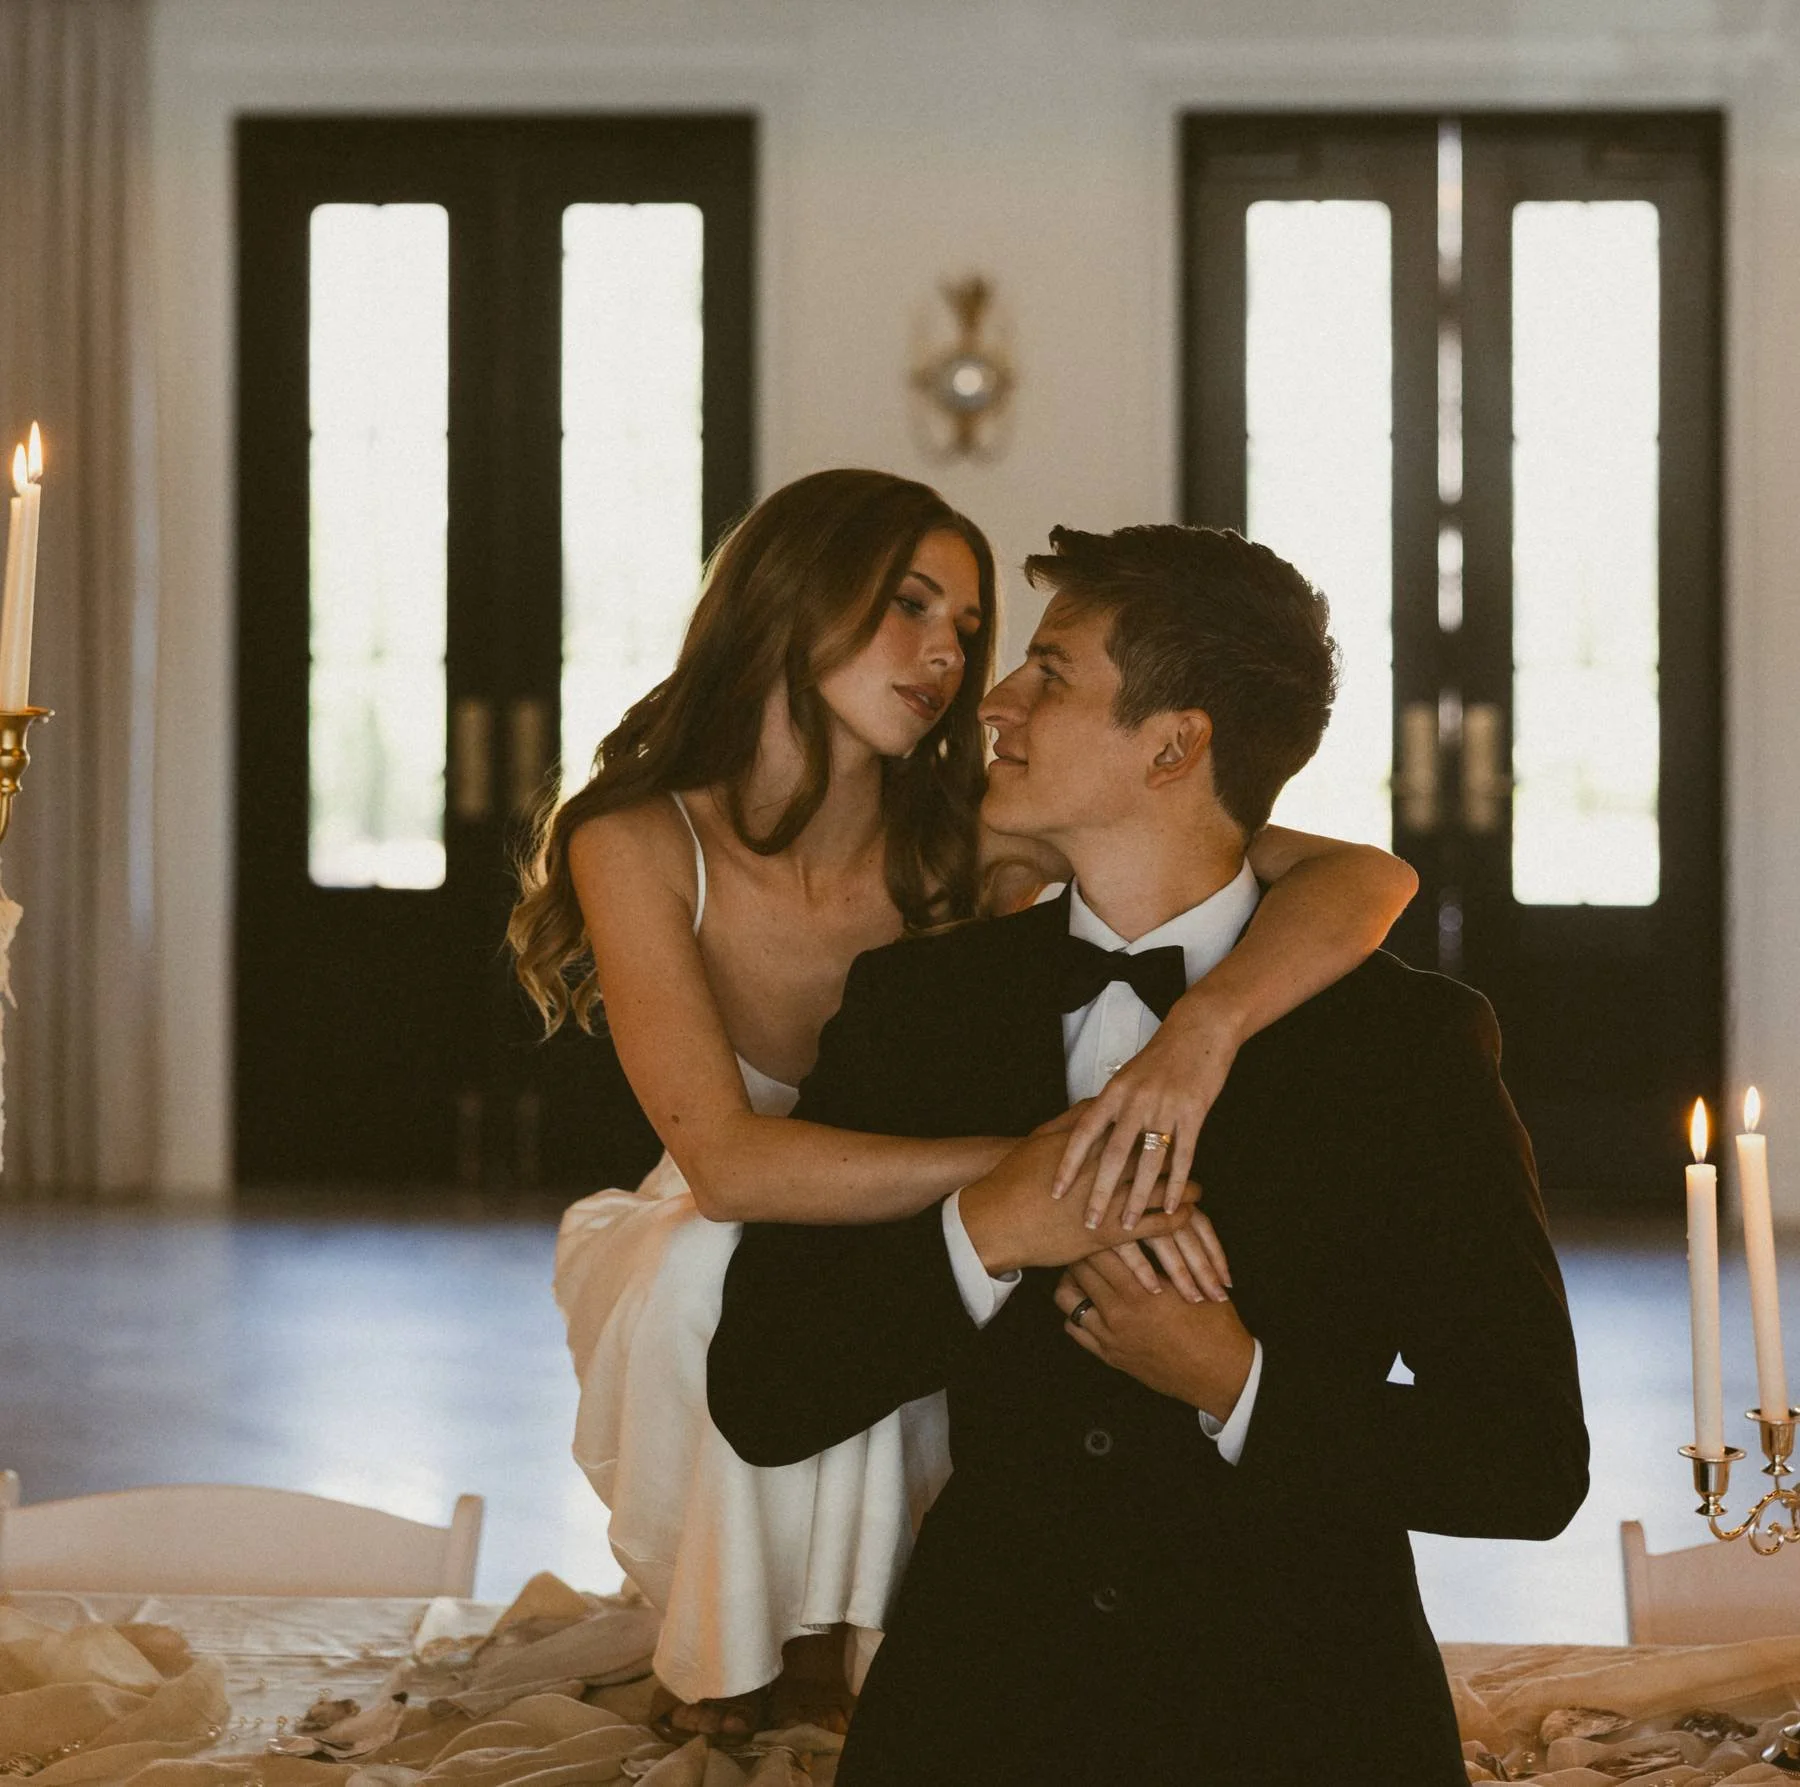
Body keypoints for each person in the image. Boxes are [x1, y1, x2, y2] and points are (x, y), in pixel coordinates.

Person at [509, 471, 1418, 1737]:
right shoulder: (638, 840)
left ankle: (900, 1643)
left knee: (955, 1292)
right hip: (746, 1197)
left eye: (967, 625)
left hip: (954, 1204)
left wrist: (1201, 1034)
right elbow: (727, 1163)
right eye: (907, 605)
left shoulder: (976, 827)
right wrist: (1052, 1176)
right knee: (708, 1276)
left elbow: (1369, 877)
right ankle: (729, 1657)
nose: (947, 656)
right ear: (787, 598)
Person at [707, 521, 1589, 1785]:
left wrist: (1238, 1381)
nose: (994, 700)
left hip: (1307, 1719)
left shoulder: (1408, 1045)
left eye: (1050, 673)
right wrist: (991, 1226)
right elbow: (764, 1391)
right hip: (976, 1718)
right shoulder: (918, 1004)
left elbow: (1527, 1463)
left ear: (1176, 744)